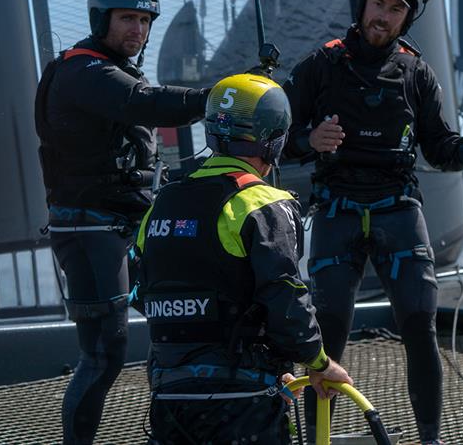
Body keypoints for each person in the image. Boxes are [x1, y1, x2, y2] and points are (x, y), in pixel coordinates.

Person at [283, 0, 463, 444]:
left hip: (399, 209)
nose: (384, 16)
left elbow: (440, 148)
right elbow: (275, 136)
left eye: (396, 9)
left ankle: (431, 440)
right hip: (336, 208)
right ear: (362, 5)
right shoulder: (320, 65)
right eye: (378, 3)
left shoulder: (418, 73)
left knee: (420, 325)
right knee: (327, 332)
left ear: (407, 17)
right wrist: (309, 141)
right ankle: (318, 440)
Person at [34, 0, 212, 445]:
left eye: (145, 20)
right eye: (127, 18)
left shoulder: (117, 70)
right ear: (100, 19)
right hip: (91, 231)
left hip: (134, 226)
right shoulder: (83, 71)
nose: (138, 29)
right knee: (103, 355)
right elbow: (143, 102)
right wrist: (219, 97)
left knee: (175, 334)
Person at [135, 73, 352, 444]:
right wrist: (318, 363)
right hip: (241, 405)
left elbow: (144, 293)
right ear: (275, 139)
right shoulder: (263, 203)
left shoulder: (162, 204)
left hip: (169, 399)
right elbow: (285, 299)